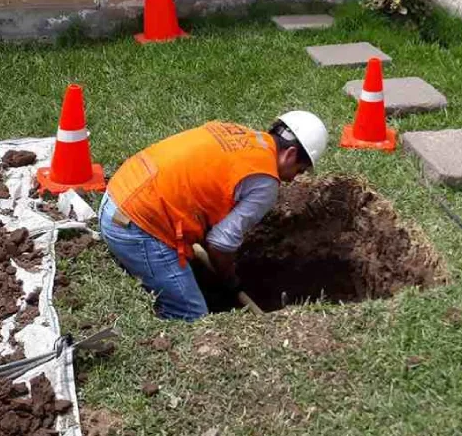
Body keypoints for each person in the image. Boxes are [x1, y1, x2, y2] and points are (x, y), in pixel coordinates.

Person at [98, 111, 328, 320]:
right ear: (290, 154)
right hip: (136, 227)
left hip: (118, 193)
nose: (293, 179)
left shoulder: (235, 132)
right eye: (298, 171)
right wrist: (229, 279)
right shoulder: (265, 182)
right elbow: (220, 244)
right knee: (193, 316)